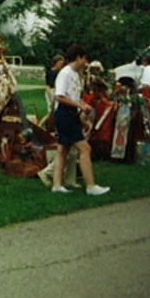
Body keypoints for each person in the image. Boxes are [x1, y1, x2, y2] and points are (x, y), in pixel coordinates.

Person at [51, 44, 110, 195]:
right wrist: (78, 104)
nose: (86, 62)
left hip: (70, 114)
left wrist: (82, 105)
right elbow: (59, 96)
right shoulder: (65, 73)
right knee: (85, 149)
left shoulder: (75, 74)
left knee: (62, 150)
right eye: (84, 59)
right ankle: (91, 186)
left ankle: (57, 185)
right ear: (78, 57)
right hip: (65, 114)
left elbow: (73, 96)